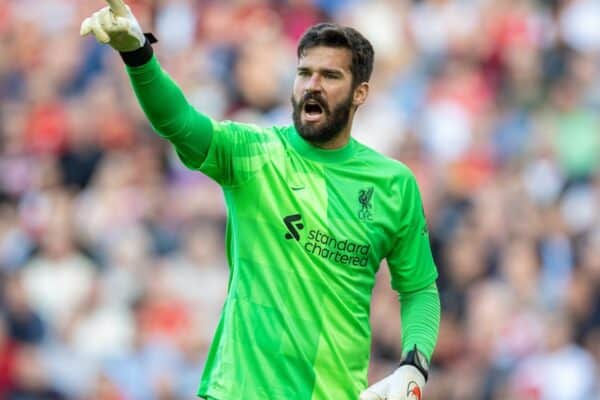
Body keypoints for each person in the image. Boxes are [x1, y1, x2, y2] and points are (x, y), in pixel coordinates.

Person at [80, 1, 441, 399]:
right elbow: (179, 122)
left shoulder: (393, 184)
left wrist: (415, 364)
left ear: (360, 93)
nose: (312, 85)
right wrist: (138, 54)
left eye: (330, 75)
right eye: (304, 73)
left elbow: (419, 290)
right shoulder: (255, 153)